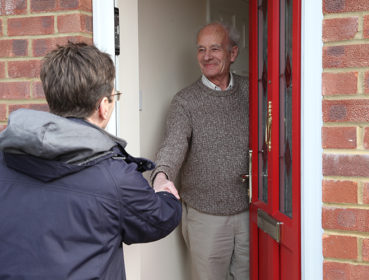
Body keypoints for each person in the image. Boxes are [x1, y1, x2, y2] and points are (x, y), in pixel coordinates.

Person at [0, 42, 181, 280]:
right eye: (114, 96)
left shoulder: (5, 156)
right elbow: (158, 219)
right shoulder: (116, 177)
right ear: (103, 106)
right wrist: (165, 193)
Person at [151, 22, 249, 280]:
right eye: (201, 49)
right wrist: (161, 176)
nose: (207, 56)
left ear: (233, 53)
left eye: (215, 48)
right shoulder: (185, 101)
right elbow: (173, 145)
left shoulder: (253, 92)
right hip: (206, 218)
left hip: (252, 212)